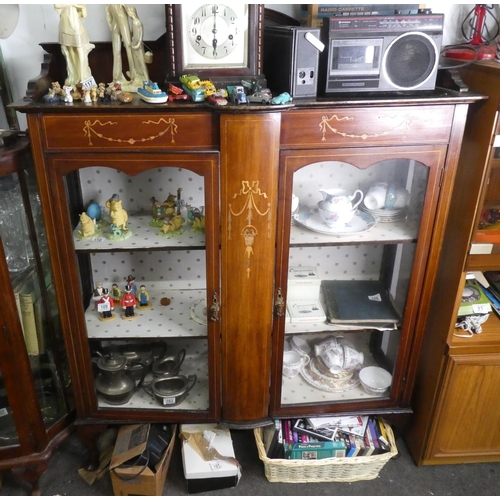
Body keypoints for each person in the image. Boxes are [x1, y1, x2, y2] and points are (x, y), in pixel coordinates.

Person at [106, 4, 146, 92]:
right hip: (114, 20)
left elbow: (130, 8)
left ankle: (134, 76)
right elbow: (107, 10)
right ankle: (117, 78)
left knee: (128, 47)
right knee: (116, 50)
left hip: (121, 17)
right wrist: (110, 21)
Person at [55, 4, 94, 87]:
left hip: (75, 23)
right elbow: (57, 5)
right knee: (68, 51)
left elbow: (83, 11)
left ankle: (83, 77)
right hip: (65, 24)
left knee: (80, 50)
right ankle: (73, 78)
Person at [127, 6, 149, 85]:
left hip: (138, 45)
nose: (128, 14)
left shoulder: (138, 22)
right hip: (133, 44)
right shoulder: (133, 22)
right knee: (136, 62)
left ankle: (146, 79)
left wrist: (138, 44)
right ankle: (139, 77)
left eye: (129, 12)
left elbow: (140, 35)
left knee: (141, 62)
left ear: (132, 12)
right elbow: (132, 32)